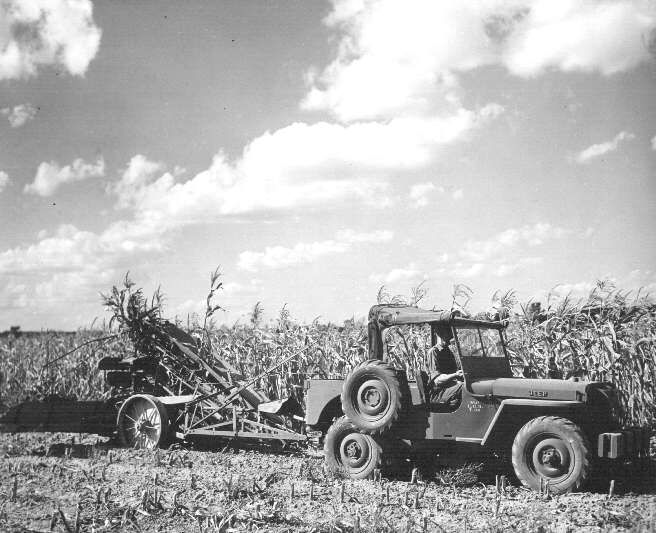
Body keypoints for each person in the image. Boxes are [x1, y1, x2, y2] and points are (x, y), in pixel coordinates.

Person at [427, 325, 464, 409]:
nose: (450, 338)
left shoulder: (448, 352)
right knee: (464, 388)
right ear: (440, 335)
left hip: (449, 388)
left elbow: (454, 372)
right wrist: (455, 375)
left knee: (468, 385)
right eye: (448, 335)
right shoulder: (434, 352)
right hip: (438, 393)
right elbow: (437, 381)